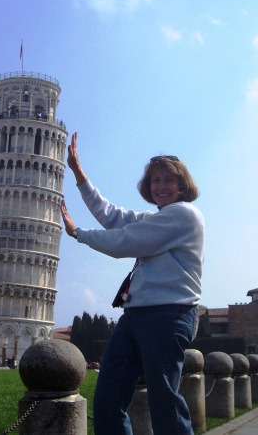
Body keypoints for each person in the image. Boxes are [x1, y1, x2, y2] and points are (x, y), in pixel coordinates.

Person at [60, 132, 205, 435]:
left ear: (182, 186)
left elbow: (126, 240)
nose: (161, 186)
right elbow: (113, 216)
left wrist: (79, 234)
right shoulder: (159, 218)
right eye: (156, 180)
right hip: (136, 315)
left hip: (169, 315)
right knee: (108, 398)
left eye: (169, 180)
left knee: (164, 402)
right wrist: (79, 173)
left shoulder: (184, 215)